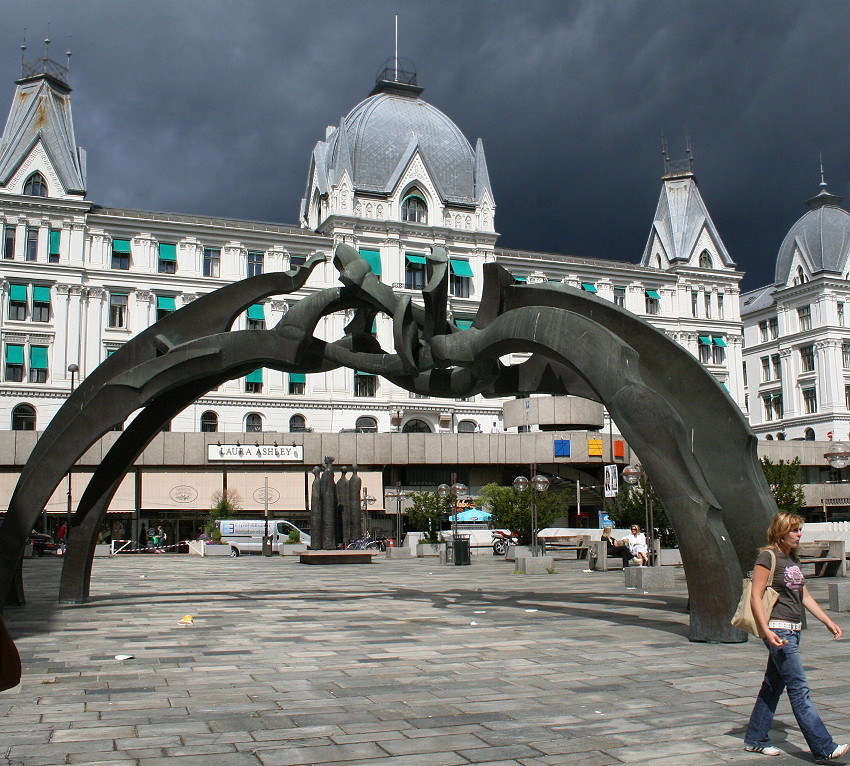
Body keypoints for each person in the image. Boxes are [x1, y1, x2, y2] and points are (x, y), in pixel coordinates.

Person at [743, 512, 849, 761]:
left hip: (793, 628)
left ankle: (755, 739)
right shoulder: (767, 557)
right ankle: (824, 748)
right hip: (779, 631)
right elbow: (755, 596)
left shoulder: (792, 559)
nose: (799, 534)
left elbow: (805, 596)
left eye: (800, 530)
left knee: (772, 687)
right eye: (795, 530)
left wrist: (828, 621)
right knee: (799, 689)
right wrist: (766, 630)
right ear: (781, 532)